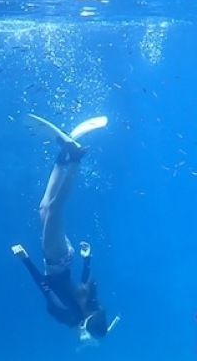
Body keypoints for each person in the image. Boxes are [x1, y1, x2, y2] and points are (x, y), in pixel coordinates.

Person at [12, 139, 118, 343]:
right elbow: (44, 285)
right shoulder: (68, 313)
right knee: (54, 209)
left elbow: (77, 285)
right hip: (55, 256)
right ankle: (76, 160)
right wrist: (25, 259)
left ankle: (62, 160)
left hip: (62, 258)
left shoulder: (76, 310)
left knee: (44, 209)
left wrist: (87, 260)